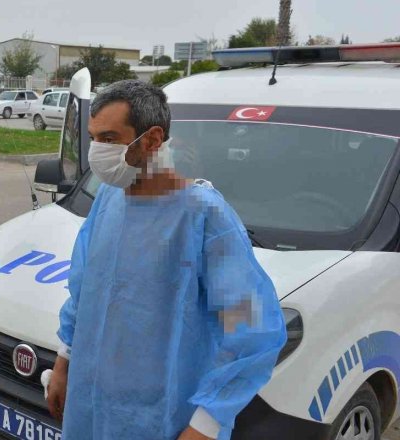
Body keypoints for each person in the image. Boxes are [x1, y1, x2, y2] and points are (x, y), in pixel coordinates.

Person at [45, 80, 286, 440]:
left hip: (163, 418)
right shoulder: (109, 201)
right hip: (90, 408)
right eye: (93, 138)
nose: (97, 151)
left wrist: (206, 424)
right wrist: (64, 363)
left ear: (152, 140)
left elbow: (250, 333)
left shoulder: (204, 219)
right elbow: (85, 293)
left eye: (109, 139)